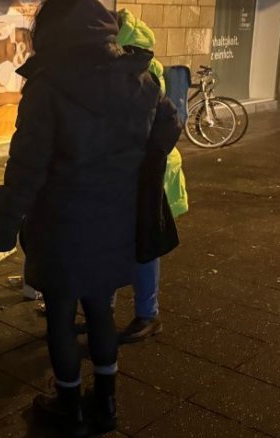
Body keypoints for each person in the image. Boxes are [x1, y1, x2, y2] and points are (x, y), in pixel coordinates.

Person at [0, 0, 181, 435]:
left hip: (60, 222)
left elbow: (26, 165)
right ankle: (107, 405)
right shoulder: (140, 77)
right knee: (99, 309)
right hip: (114, 219)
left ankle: (70, 408)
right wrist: (139, 167)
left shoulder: (47, 84)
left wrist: (3, 226)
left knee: (60, 312)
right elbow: (169, 125)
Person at [113, 9, 189, 344]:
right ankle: (104, 310)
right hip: (135, 174)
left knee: (144, 246)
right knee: (120, 244)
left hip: (146, 178)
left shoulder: (140, 73)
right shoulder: (134, 67)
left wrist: (145, 160)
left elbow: (169, 125)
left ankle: (148, 314)